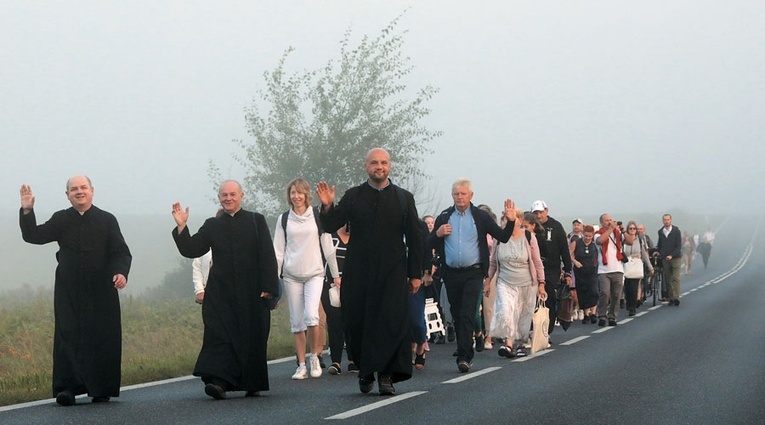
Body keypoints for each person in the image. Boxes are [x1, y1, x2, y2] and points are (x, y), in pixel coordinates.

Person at [316, 148, 423, 396]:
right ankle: (365, 371)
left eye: (383, 162)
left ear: (390, 166)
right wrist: (328, 206)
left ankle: (386, 375)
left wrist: (415, 273)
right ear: (366, 166)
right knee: (358, 320)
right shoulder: (354, 196)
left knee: (390, 322)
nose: (379, 166)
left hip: (392, 270)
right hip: (359, 271)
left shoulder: (403, 198)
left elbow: (415, 238)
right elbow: (331, 224)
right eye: (374, 162)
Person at [19, 176, 132, 406]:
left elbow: (121, 252)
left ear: (92, 191)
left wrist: (121, 273)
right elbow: (33, 236)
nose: (79, 192)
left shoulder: (107, 220)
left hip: (102, 289)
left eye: (83, 188)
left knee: (103, 336)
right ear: (67, 195)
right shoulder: (61, 219)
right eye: (73, 189)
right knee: (67, 335)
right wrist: (27, 210)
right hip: (68, 290)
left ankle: (101, 388)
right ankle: (67, 389)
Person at [171, 180, 279, 399]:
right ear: (219, 198)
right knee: (219, 337)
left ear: (241, 196)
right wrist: (182, 226)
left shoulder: (255, 221)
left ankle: (251, 381)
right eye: (224, 195)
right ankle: (218, 382)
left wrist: (269, 286)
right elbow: (192, 249)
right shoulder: (212, 225)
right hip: (221, 294)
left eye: (232, 194)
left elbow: (268, 254)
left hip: (252, 292)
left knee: (252, 337)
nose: (228, 198)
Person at [428, 178, 514, 373]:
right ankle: (466, 346)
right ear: (452, 196)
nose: (460, 197)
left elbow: (503, 237)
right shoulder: (444, 217)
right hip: (450, 273)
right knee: (457, 314)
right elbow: (429, 243)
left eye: (463, 194)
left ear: (471, 196)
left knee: (467, 313)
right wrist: (438, 234)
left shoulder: (480, 216)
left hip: (473, 273)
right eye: (456, 194)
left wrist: (511, 221)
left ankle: (465, 356)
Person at [273, 178, 341, 380]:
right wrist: (274, 280)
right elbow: (278, 252)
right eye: (293, 192)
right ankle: (301, 365)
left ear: (306, 195)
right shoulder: (284, 219)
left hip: (315, 273)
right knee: (296, 322)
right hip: (291, 275)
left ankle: (314, 357)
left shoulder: (317, 217)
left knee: (312, 316)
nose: (296, 196)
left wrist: (336, 275)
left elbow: (329, 249)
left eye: (300, 192)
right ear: (289, 195)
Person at [486, 209, 545, 358]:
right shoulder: (499, 239)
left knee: (523, 315)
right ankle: (508, 344)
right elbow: (493, 262)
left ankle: (520, 345)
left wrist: (542, 283)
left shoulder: (529, 237)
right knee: (506, 311)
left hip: (526, 283)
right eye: (505, 219)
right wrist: (488, 281)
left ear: (519, 220)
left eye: (511, 218)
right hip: (505, 282)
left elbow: (537, 262)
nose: (507, 221)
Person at [531, 201, 573, 337]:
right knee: (533, 301)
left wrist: (567, 272)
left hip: (551, 269)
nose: (539, 215)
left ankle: (546, 331)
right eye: (536, 213)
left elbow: (564, 250)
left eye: (541, 212)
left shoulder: (556, 227)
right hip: (533, 269)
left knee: (548, 299)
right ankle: (533, 329)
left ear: (546, 211)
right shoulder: (531, 228)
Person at [322, 223, 358, 374]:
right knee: (334, 323)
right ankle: (335, 361)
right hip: (331, 286)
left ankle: (353, 359)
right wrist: (334, 279)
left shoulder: (359, 238)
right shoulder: (330, 237)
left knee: (352, 323)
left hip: (354, 286)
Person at [595, 214, 631, 326]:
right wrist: (610, 229)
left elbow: (630, 241)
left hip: (618, 268)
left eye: (610, 220)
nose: (609, 222)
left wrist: (623, 230)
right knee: (604, 293)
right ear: (601, 223)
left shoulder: (618, 233)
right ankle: (601, 315)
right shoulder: (598, 234)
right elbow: (600, 241)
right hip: (604, 269)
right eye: (606, 221)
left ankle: (612, 316)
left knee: (616, 294)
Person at [622, 221, 654, 316]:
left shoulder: (639, 240)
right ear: (627, 230)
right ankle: (629, 302)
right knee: (627, 287)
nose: (632, 230)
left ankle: (632, 306)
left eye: (634, 228)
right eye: (630, 228)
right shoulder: (624, 239)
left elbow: (644, 254)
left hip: (636, 264)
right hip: (626, 264)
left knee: (634, 287)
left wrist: (650, 267)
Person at [570, 225, 599, 324]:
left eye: (590, 236)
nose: (587, 238)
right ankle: (586, 314)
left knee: (594, 291)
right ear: (583, 234)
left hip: (592, 271)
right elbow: (569, 254)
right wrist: (575, 262)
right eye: (586, 236)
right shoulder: (577, 243)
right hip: (580, 271)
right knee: (584, 292)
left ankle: (593, 313)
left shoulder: (594, 245)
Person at [656, 214, 682, 306]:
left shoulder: (676, 231)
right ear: (663, 221)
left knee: (675, 278)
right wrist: (659, 252)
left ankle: (676, 297)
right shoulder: (661, 232)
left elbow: (679, 246)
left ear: (671, 220)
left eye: (668, 219)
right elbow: (660, 245)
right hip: (665, 258)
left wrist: (671, 255)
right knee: (667, 279)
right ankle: (671, 297)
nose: (666, 221)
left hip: (676, 258)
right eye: (665, 220)